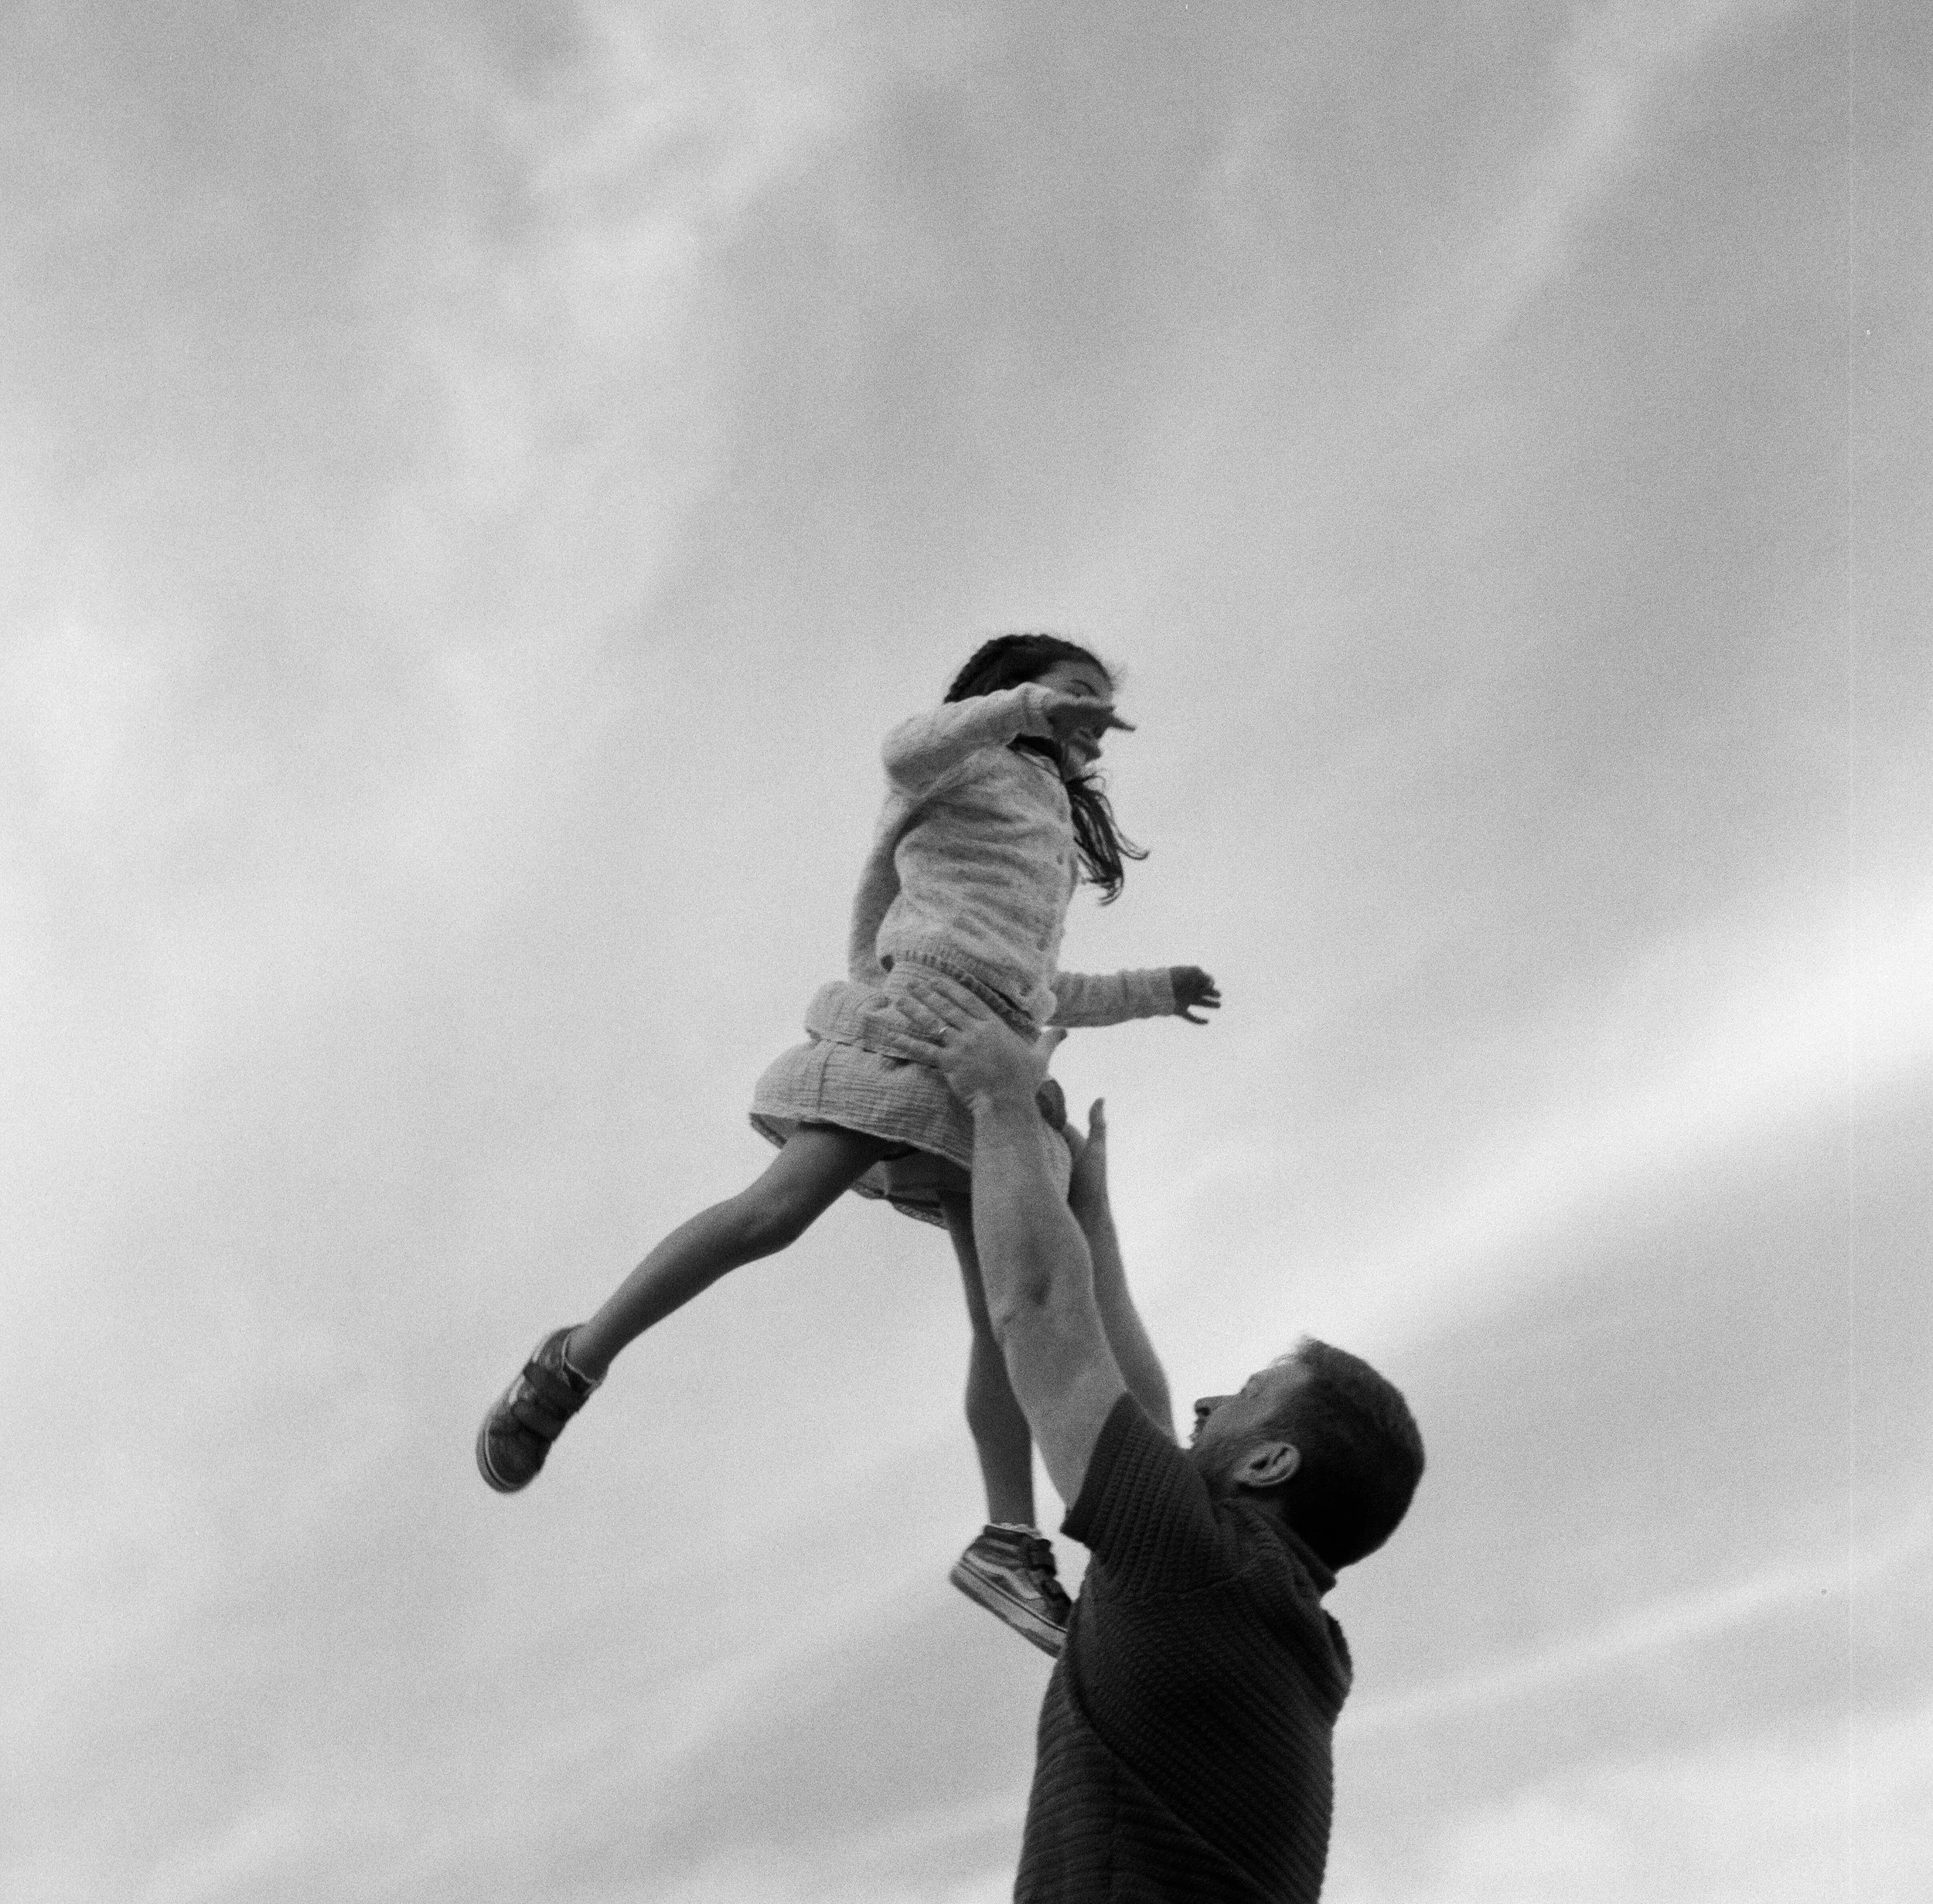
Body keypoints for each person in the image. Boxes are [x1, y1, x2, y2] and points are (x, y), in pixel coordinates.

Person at [476, 634, 1222, 1650]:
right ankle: (573, 1358)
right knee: (774, 1211)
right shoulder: (965, 757)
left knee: (1004, 1309)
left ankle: (1010, 1539)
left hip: (989, 1066)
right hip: (914, 1026)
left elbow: (1044, 987)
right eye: (1073, 692)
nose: (1091, 713)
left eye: (1096, 702)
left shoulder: (1048, 831)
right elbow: (903, 746)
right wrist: (1030, 708)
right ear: (1013, 695)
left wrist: (1158, 988)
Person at [890, 973, 1425, 1904]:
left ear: (1269, 1463)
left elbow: (1041, 1314)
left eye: (1249, 1395)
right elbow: (1134, 1404)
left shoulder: (1201, 1572)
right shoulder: (1273, 1622)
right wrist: (1087, 1214)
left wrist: (1001, 1096)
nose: (1209, 1403)